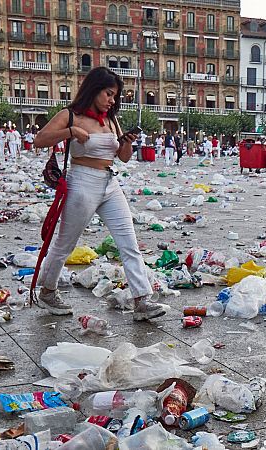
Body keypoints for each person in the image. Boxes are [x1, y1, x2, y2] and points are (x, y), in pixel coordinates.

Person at [33, 67, 164, 320]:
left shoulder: (112, 119)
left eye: (114, 96)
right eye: (108, 94)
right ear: (94, 90)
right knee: (64, 243)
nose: (112, 100)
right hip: (82, 182)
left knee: (129, 243)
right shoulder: (70, 115)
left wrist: (126, 142)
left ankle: (141, 300)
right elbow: (40, 139)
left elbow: (123, 158)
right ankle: (48, 291)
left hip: (110, 182)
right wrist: (70, 132)